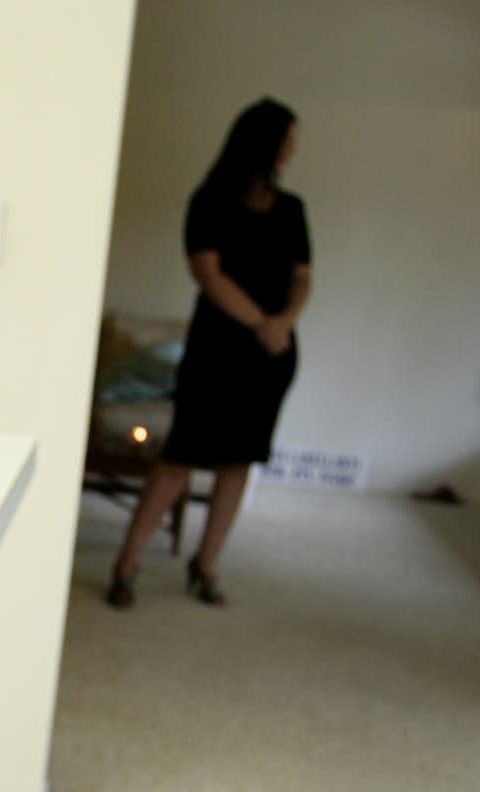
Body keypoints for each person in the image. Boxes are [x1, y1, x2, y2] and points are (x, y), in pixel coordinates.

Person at [107, 98, 312, 608]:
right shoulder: (210, 201)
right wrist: (261, 322)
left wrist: (283, 322)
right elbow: (208, 274)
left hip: (271, 357)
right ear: (259, 142)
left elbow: (302, 278)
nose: (290, 150)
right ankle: (126, 565)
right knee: (178, 461)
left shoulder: (292, 210)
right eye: (284, 140)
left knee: (238, 465)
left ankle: (205, 565)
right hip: (217, 354)